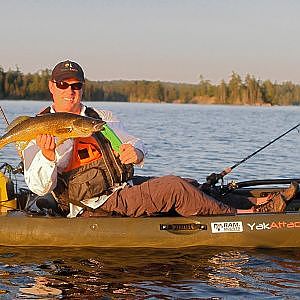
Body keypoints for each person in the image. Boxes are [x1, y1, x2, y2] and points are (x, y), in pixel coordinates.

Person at [23, 60, 299, 218]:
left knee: (190, 184)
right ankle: (247, 219)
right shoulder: (38, 129)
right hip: (93, 204)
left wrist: (137, 152)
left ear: (83, 87)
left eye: (76, 85)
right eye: (63, 85)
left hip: (120, 186)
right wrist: (48, 157)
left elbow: (137, 142)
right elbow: (38, 186)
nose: (70, 91)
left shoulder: (99, 117)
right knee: (174, 188)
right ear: (51, 87)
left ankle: (257, 203)